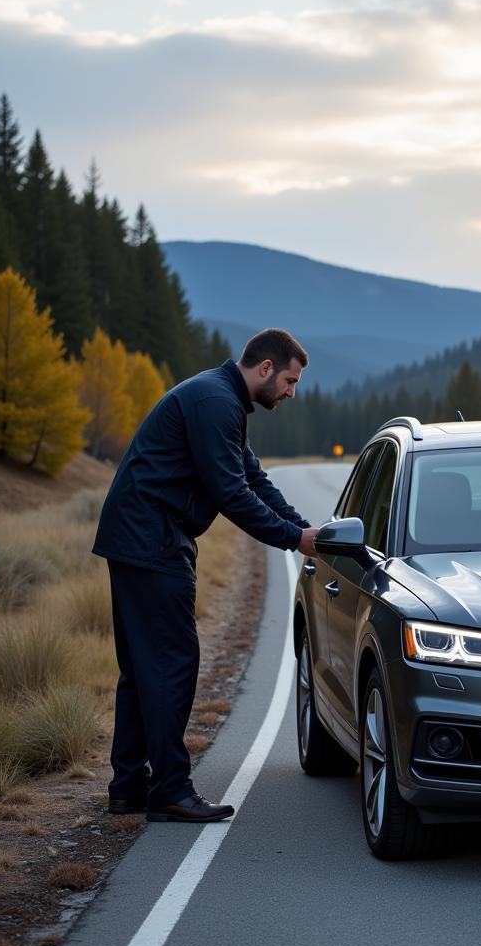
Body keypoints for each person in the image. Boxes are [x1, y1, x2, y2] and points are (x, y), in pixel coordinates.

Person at [92, 328, 319, 823]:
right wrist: (292, 540)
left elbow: (253, 478)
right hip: (151, 541)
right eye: (289, 381)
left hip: (138, 536)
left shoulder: (221, 399)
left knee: (143, 668)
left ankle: (129, 786)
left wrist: (304, 529)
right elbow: (231, 493)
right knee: (173, 664)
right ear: (264, 368)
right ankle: (170, 790)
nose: (291, 392)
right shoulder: (217, 402)